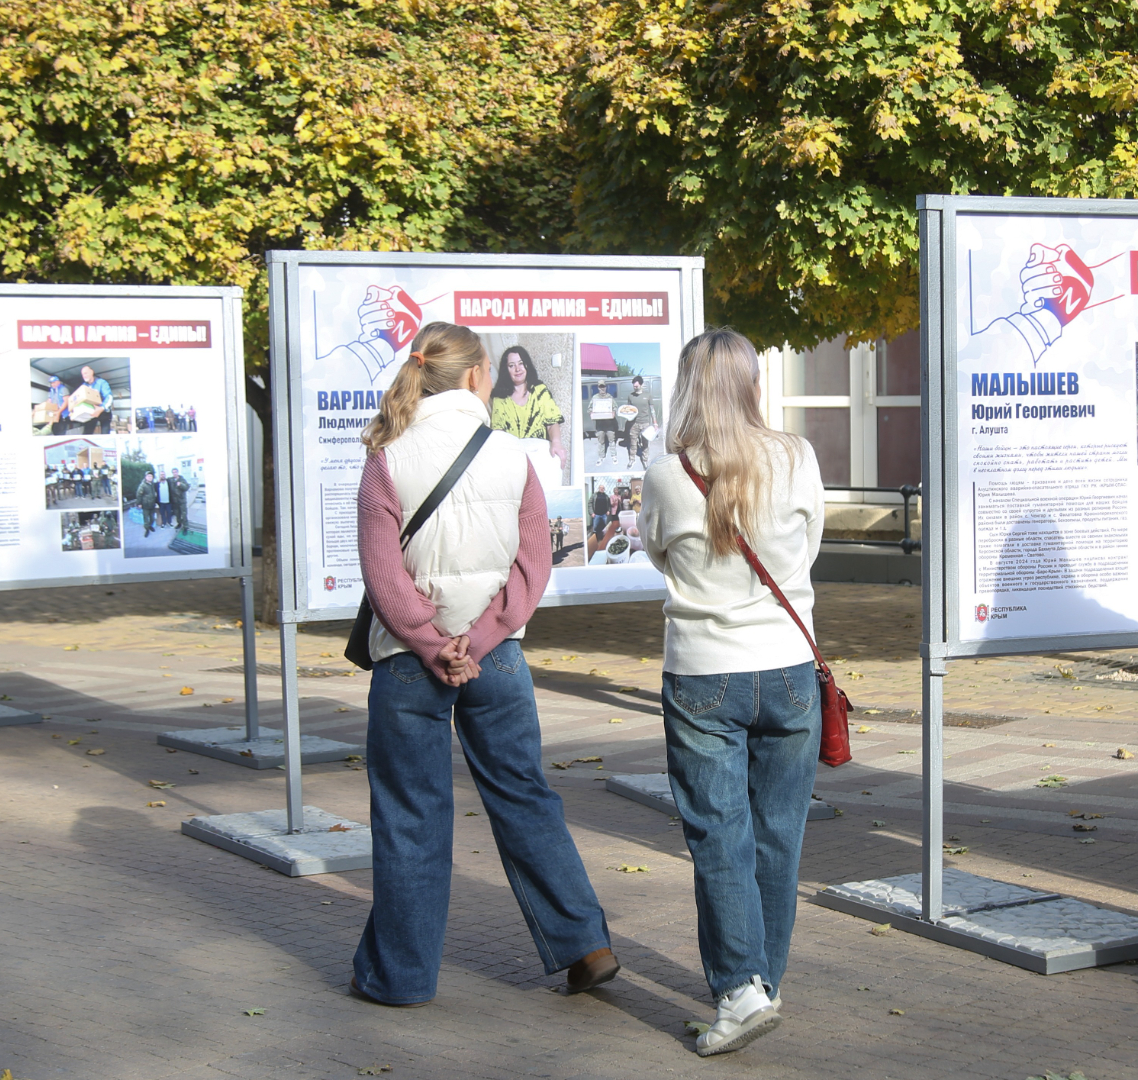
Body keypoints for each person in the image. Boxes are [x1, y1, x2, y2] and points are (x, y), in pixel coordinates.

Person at [351, 320, 616, 1008]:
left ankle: (401, 979)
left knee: (412, 813)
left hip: (409, 661)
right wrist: (485, 635)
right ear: (476, 376)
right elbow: (532, 567)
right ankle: (585, 944)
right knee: (525, 795)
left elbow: (382, 577)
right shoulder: (511, 455)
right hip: (496, 660)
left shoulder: (386, 457)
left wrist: (433, 642)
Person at [639, 328, 825, 1057]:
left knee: (720, 836)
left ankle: (740, 990)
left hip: (704, 669)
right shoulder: (797, 456)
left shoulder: (667, 474)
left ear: (689, 388)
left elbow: (659, 554)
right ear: (751, 383)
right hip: (787, 665)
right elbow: (806, 548)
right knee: (778, 834)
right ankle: (762, 982)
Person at [488, 345, 569, 477]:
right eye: (511, 365)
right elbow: (499, 432)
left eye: (521, 363)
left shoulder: (540, 390)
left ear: (527, 365)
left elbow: (552, 422)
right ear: (506, 370)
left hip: (539, 456)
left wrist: (556, 443)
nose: (517, 369)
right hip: (513, 459)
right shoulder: (499, 397)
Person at [624, 374, 660, 469]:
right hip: (634, 424)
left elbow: (652, 410)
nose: (635, 388)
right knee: (632, 443)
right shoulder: (630, 396)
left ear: (641, 384)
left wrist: (655, 423)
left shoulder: (647, 395)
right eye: (634, 386)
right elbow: (628, 409)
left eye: (636, 386)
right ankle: (632, 459)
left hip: (645, 424)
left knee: (645, 443)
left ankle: (645, 460)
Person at [74, 365, 114, 435]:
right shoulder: (84, 386)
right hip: (91, 412)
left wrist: (101, 408)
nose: (84, 376)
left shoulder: (101, 382)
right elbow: (79, 399)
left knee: (105, 434)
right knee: (87, 433)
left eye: (86, 373)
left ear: (92, 372)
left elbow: (109, 397)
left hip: (104, 411)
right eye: (83, 374)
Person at [587, 379, 618, 463]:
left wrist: (613, 412)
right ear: (598, 387)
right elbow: (589, 409)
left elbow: (615, 407)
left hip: (609, 423)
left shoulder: (609, 397)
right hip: (600, 424)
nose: (602, 388)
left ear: (606, 387)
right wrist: (591, 413)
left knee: (612, 440)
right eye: (600, 386)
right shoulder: (595, 398)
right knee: (601, 441)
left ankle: (614, 456)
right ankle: (601, 457)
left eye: (603, 386)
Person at [136, 472, 159, 536]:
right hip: (145, 505)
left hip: (152, 505)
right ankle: (147, 530)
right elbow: (139, 495)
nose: (150, 477)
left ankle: (150, 526)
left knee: (152, 518)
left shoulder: (152, 484)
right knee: (146, 519)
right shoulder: (142, 485)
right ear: (145, 477)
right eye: (148, 476)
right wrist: (139, 503)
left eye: (151, 476)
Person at [170, 470, 191, 535]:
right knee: (177, 514)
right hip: (175, 502)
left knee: (184, 515)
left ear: (178, 472)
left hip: (182, 501)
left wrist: (180, 484)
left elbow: (187, 487)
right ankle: (179, 523)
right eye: (173, 472)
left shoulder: (182, 479)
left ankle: (185, 527)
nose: (174, 473)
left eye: (175, 472)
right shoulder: (171, 480)